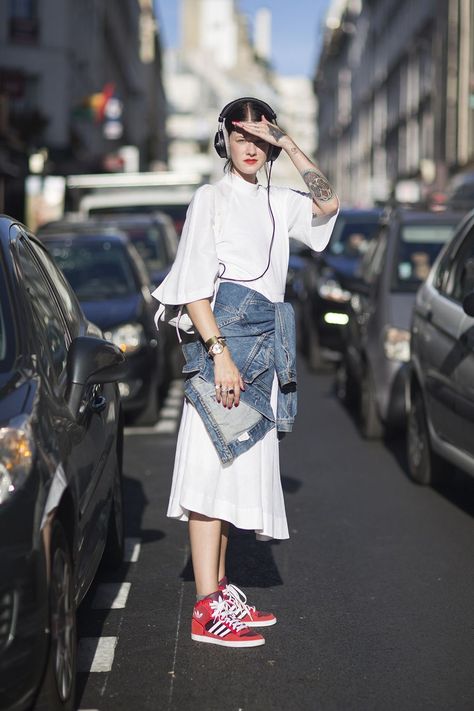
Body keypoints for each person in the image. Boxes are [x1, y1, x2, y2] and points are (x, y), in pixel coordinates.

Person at [152, 97, 339, 648]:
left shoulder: (282, 202)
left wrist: (292, 145)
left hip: (264, 353)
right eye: (241, 137)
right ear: (224, 142)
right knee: (209, 479)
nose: (251, 148)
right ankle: (206, 609)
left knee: (231, 475)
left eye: (261, 139)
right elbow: (192, 288)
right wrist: (219, 354)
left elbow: (328, 205)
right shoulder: (210, 199)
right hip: (225, 354)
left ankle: (220, 590)